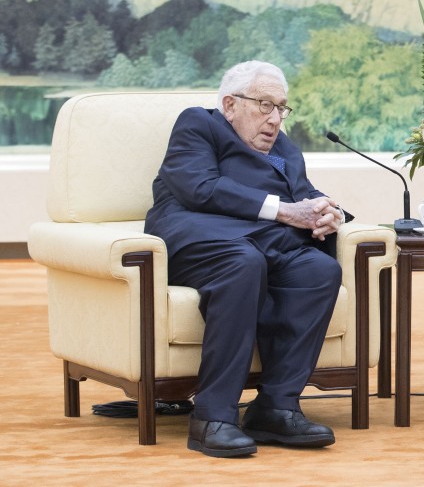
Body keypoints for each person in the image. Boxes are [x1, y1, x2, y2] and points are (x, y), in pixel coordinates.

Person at [145, 60, 352, 458]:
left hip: (264, 243)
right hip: (199, 238)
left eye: (281, 108)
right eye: (264, 104)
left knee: (320, 269)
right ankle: (213, 417)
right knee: (244, 261)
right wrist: (286, 213)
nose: (275, 118)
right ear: (230, 104)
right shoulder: (198, 125)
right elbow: (199, 188)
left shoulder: (284, 148)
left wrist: (331, 213)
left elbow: (305, 194)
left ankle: (275, 406)